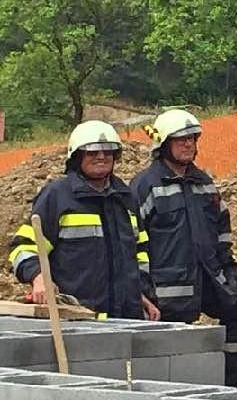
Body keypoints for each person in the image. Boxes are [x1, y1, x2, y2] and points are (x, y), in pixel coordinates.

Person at [132, 109, 237, 390]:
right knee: (173, 334)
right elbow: (133, 239)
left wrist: (230, 270)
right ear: (163, 144)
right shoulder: (145, 186)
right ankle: (175, 386)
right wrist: (142, 287)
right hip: (167, 285)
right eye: (180, 139)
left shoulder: (204, 183)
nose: (188, 144)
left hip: (208, 275)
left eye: (192, 139)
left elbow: (221, 229)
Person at [8, 121, 159, 321]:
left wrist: (139, 293)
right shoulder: (58, 196)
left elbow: (138, 253)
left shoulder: (125, 198)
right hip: (77, 320)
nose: (101, 156)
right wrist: (39, 278)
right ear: (77, 156)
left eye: (108, 151)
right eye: (92, 152)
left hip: (127, 319)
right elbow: (23, 247)